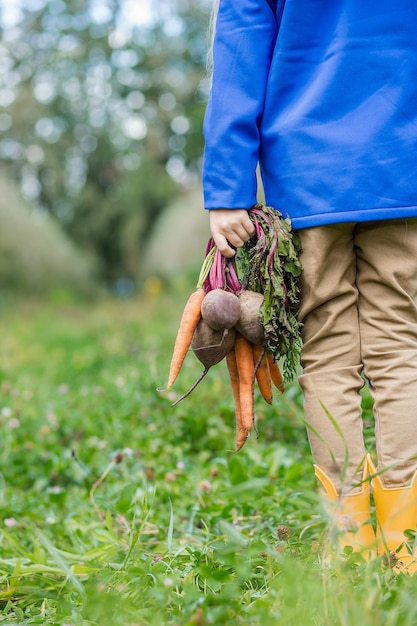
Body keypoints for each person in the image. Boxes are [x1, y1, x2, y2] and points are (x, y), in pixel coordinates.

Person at [202, 0, 417, 570]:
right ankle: (407, 538)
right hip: (403, 160)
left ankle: (351, 535)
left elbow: (240, 52)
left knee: (325, 353)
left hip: (308, 173)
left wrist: (226, 186)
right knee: (402, 347)